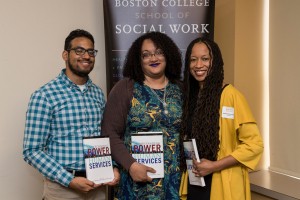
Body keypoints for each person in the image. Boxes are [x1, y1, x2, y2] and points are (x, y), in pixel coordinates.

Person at [23, 29, 119, 200]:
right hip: (62, 189)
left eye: (91, 51)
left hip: (98, 185)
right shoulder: (44, 95)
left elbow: (103, 136)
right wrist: (69, 180)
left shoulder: (98, 94)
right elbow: (32, 150)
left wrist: (113, 166)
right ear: (65, 55)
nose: (86, 56)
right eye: (79, 50)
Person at [179, 37, 264, 200]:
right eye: (193, 60)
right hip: (196, 182)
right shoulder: (192, 98)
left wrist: (214, 166)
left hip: (223, 182)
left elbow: (254, 145)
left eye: (205, 59)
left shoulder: (231, 95)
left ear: (215, 62)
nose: (198, 65)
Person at [101, 31, 183, 199]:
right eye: (146, 55)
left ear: (168, 55)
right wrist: (131, 165)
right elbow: (109, 133)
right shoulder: (125, 88)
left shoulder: (181, 88)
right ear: (138, 60)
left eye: (159, 52)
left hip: (175, 182)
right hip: (136, 182)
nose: (153, 58)